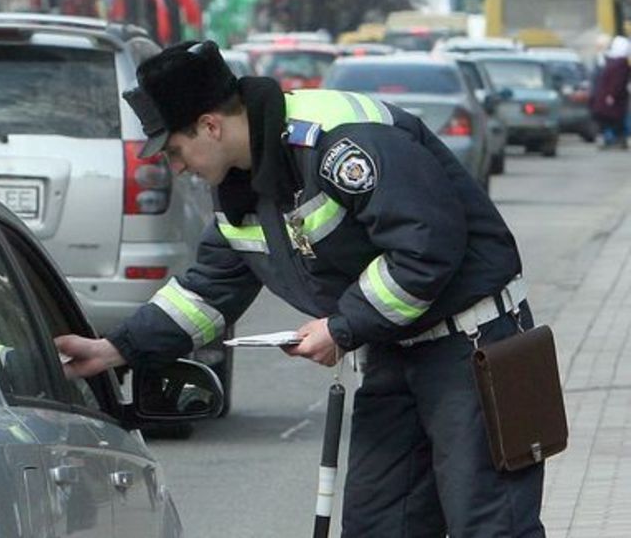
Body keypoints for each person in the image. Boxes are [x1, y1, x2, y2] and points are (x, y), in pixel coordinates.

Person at [55, 40, 545, 537]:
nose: (176, 166)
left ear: (210, 125)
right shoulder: (241, 188)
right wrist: (116, 349)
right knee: (379, 525)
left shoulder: (339, 141)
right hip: (396, 352)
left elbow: (425, 248)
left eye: (176, 150)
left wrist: (341, 326)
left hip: (474, 347)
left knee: (490, 525)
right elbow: (206, 290)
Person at [590, 35, 630, 149]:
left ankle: (614, 139)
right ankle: (613, 138)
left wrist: (611, 94)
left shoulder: (617, 63)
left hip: (611, 98)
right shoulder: (619, 63)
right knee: (612, 120)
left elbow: (617, 82)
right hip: (610, 98)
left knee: (613, 120)